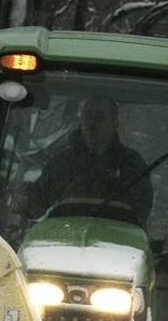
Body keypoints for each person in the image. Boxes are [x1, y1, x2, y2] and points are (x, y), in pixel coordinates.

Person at [30, 96, 153, 226]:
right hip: (63, 238)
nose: (92, 123)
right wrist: (26, 200)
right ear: (80, 121)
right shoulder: (61, 163)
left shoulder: (130, 163)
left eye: (100, 117)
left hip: (115, 239)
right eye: (88, 116)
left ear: (115, 122)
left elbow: (140, 210)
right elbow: (38, 205)